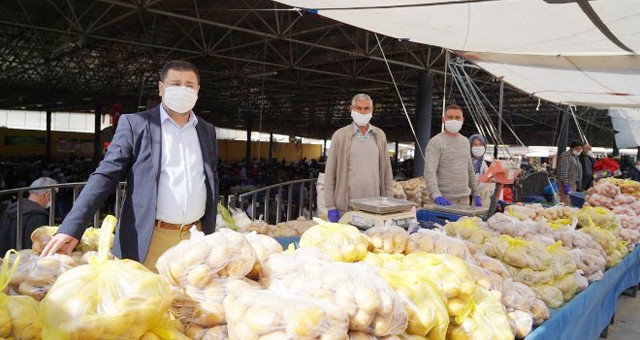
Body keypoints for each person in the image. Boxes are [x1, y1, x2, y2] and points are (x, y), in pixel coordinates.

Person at [41, 60, 219, 271]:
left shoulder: (206, 130)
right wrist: (72, 226)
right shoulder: (136, 124)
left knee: (188, 302)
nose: (183, 89)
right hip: (150, 239)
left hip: (195, 240)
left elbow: (210, 177)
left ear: (198, 90)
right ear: (161, 89)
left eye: (189, 85)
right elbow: (105, 176)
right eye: (175, 83)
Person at [324, 93, 394, 222]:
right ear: (351, 110)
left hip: (375, 207)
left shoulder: (379, 135)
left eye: (366, 108)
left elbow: (387, 173)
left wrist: (389, 201)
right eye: (359, 108)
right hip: (347, 208)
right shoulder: (340, 136)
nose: (362, 112)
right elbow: (329, 173)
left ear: (372, 111)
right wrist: (330, 206)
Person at [424, 104, 479, 206]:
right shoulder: (435, 142)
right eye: (450, 117)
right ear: (443, 120)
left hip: (464, 200)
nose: (454, 120)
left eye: (457, 117)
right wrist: (436, 195)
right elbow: (429, 171)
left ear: (463, 120)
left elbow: (469, 169)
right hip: (444, 201)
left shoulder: (465, 142)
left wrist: (476, 193)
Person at [0, 177, 57, 254]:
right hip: (22, 261)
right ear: (48, 195)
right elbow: (36, 248)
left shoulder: (13, 207)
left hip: (5, 259)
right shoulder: (37, 215)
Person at [469, 134, 494, 207]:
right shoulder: (465, 161)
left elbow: (488, 179)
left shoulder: (482, 163)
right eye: (475, 144)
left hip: (480, 198)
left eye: (480, 144)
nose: (478, 147)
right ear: (469, 146)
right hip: (465, 199)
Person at [556, 141, 583, 205]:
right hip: (565, 184)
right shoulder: (566, 155)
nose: (579, 150)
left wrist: (578, 182)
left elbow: (577, 170)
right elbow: (564, 170)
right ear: (572, 148)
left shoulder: (575, 157)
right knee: (566, 203)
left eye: (580, 149)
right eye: (577, 148)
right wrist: (565, 184)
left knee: (571, 203)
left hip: (572, 184)